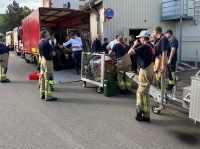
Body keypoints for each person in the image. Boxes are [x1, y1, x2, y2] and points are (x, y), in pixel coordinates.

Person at [128, 30, 161, 122]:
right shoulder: (153, 46)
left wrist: (135, 44)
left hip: (145, 70)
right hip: (152, 69)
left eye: (140, 38)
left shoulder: (144, 47)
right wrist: (156, 69)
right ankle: (146, 115)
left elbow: (129, 52)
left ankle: (139, 109)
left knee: (140, 91)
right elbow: (159, 57)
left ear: (143, 38)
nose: (139, 39)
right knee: (146, 93)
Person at [40, 30, 57, 101]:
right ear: (46, 36)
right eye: (49, 35)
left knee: (43, 78)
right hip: (48, 62)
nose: (50, 36)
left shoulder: (40, 42)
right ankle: (49, 96)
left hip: (43, 60)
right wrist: (53, 52)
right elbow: (54, 54)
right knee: (50, 78)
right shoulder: (47, 44)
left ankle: (43, 94)